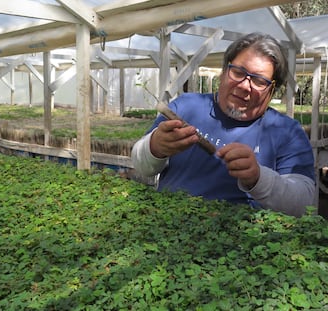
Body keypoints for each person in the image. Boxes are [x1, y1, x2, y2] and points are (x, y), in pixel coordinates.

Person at [131, 32, 315, 217]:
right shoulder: (185, 106)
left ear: (272, 90)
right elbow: (141, 166)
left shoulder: (287, 132)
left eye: (259, 81)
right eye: (238, 72)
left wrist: (258, 178)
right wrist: (155, 146)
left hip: (243, 240)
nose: (244, 86)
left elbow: (304, 203)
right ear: (223, 72)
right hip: (170, 226)